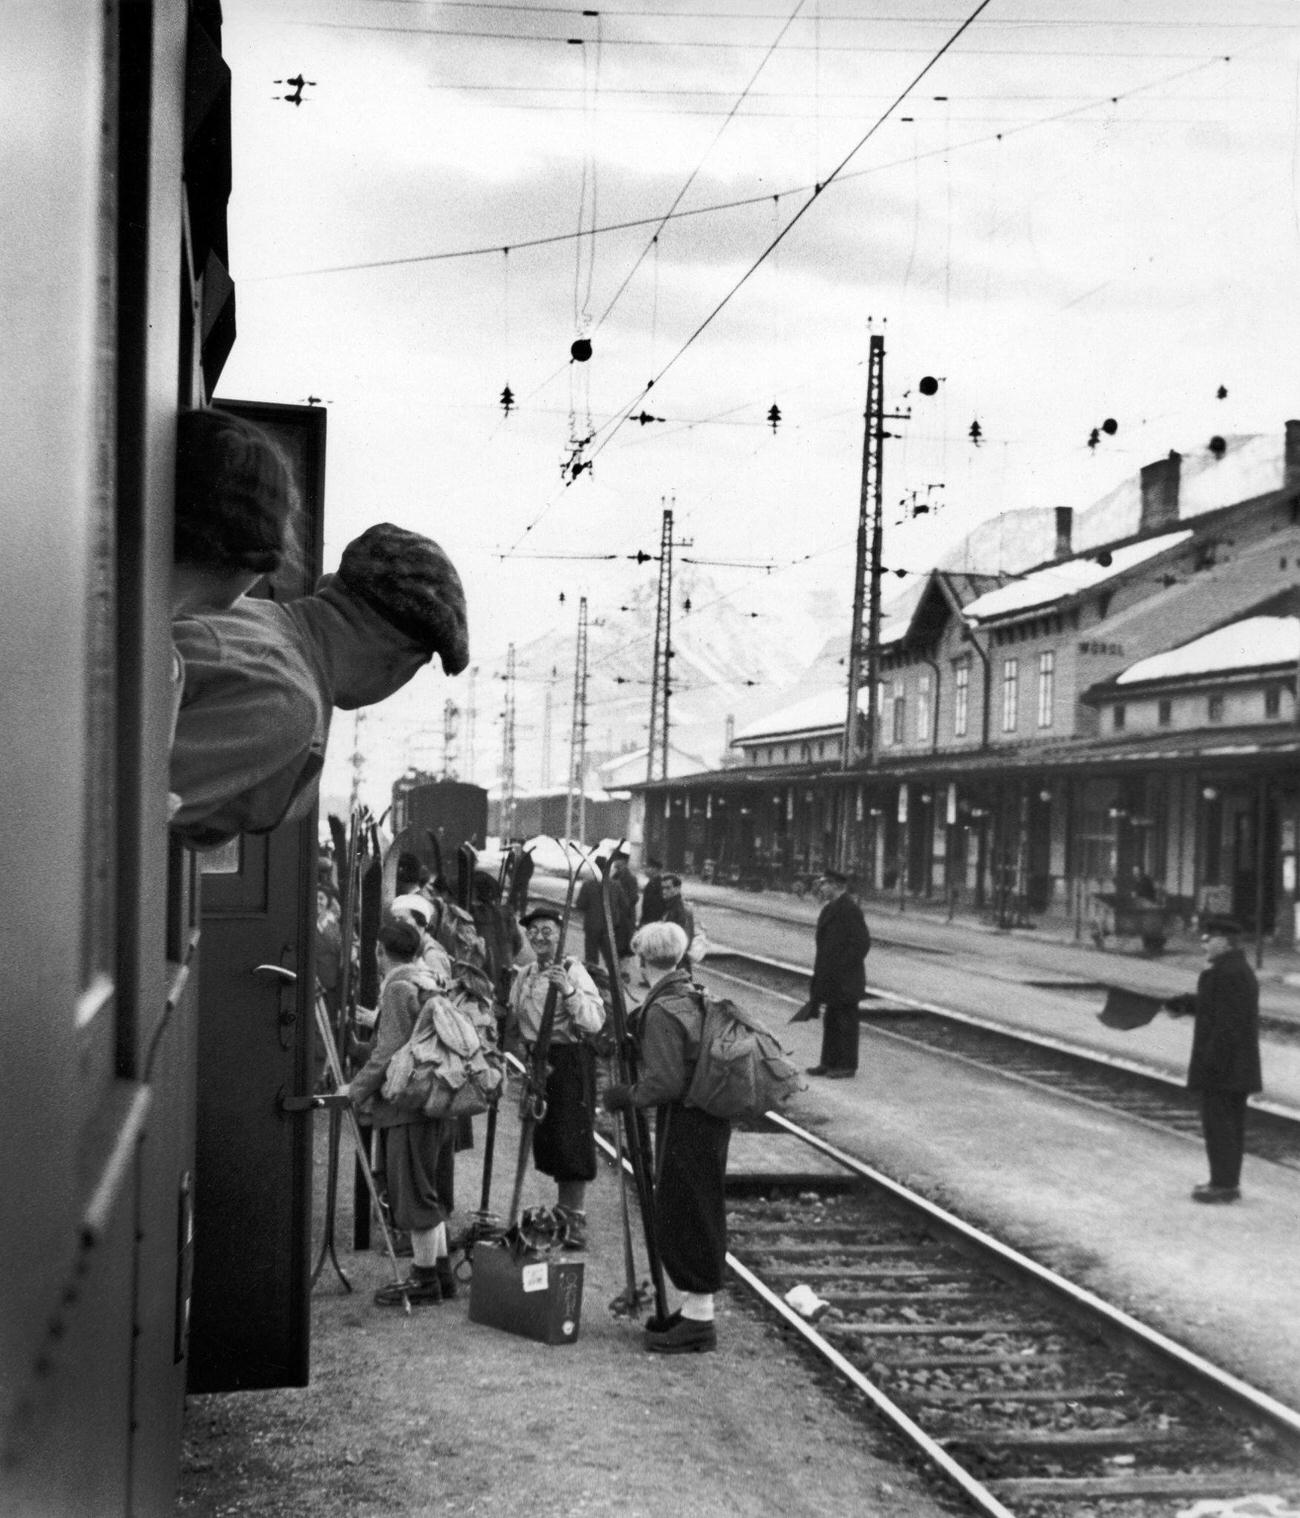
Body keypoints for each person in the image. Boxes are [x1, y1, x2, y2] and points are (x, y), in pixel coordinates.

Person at [171, 518, 468, 849]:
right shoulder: (286, 700)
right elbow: (129, 803)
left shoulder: (246, 614)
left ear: (326, 586)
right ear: (399, 663)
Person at [602, 920, 730, 1354]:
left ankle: (699, 1325)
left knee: (683, 1213)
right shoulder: (693, 993)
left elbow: (664, 1083)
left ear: (640, 960)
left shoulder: (662, 1009)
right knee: (698, 1208)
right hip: (709, 1118)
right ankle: (695, 1312)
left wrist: (625, 1095)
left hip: (685, 1119)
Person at [341, 920, 457, 1305]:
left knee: (411, 1195)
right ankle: (441, 1273)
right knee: (428, 1190)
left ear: (380, 952)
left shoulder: (396, 988)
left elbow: (389, 1050)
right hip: (436, 1099)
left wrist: (354, 1090)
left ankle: (424, 1280)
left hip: (407, 1105)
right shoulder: (428, 980)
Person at [506, 904, 605, 1249]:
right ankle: (562, 1214)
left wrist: (568, 992)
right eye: (533, 932)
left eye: (547, 931)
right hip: (538, 1063)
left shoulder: (572, 970)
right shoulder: (525, 973)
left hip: (569, 1061)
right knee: (549, 1140)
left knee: (571, 1139)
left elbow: (593, 1022)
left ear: (560, 934)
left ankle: (574, 1218)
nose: (539, 937)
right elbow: (515, 1019)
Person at [1163, 916, 1262, 1203]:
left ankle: (1224, 1186)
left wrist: (1211, 1062)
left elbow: (1227, 1023)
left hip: (1225, 1065)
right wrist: (1184, 1003)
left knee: (1221, 1125)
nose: (1204, 941)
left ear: (1226, 942)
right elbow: (1213, 1005)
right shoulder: (1230, 970)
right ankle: (1223, 1180)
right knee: (1226, 1124)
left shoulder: (1228, 973)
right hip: (1233, 1064)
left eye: (1210, 937)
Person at [806, 870, 871, 1079]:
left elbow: (861, 943)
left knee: (846, 1021)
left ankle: (846, 1065)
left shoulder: (850, 909)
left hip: (845, 978)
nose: (821, 888)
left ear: (835, 885)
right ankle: (828, 1062)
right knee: (832, 1019)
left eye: (825, 884)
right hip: (831, 976)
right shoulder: (830, 908)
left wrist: (842, 967)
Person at [659, 874, 696, 974]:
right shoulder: (670, 906)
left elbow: (685, 939)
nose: (664, 891)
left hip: (677, 961)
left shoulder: (681, 909)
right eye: (662, 888)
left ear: (678, 888)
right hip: (671, 959)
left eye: (668, 888)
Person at [506, 841, 535, 918]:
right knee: (512, 895)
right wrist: (510, 874)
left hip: (523, 880)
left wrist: (527, 877)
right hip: (514, 879)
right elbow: (507, 866)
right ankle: (512, 911)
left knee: (523, 896)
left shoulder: (526, 855)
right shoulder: (511, 855)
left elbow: (531, 867)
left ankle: (522, 912)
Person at [639, 858, 666, 927]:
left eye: (647, 867)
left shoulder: (657, 884)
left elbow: (654, 907)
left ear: (655, 869)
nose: (645, 870)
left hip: (652, 922)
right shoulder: (652, 883)